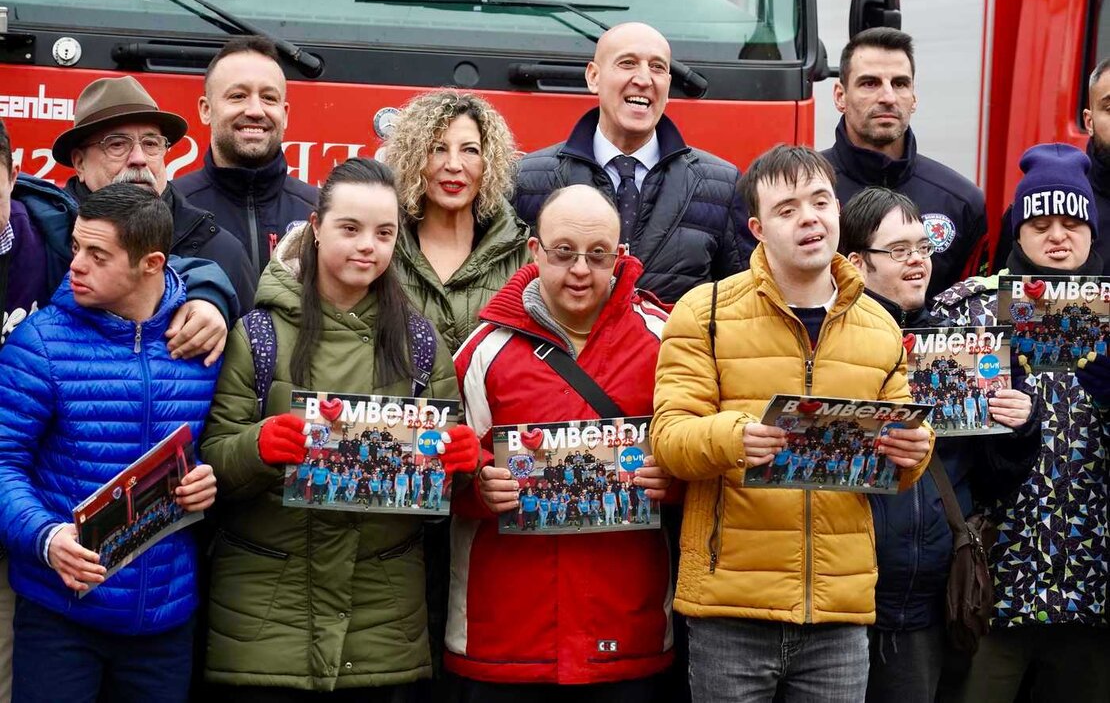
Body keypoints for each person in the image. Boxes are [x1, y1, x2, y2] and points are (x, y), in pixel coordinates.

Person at [651, 145, 934, 702]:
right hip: (730, 608)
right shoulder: (703, 312)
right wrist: (734, 437)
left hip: (839, 611)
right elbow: (669, 440)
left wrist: (913, 451)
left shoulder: (879, 322)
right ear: (757, 228)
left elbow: (899, 468)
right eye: (787, 209)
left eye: (820, 201)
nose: (809, 217)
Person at [200, 158, 475, 700]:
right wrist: (258, 446)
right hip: (262, 624)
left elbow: (442, 497)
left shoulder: (420, 344)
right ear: (317, 227)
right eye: (350, 228)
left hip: (382, 629)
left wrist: (461, 467)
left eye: (384, 232)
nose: (366, 246)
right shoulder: (257, 334)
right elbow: (212, 464)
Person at [449, 184, 675, 702]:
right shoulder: (484, 350)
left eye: (598, 256)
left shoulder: (664, 339)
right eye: (564, 253)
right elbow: (439, 463)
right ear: (534, 252)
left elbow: (699, 450)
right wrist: (479, 485)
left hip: (626, 634)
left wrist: (674, 478)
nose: (580, 270)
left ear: (620, 258)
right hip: (505, 638)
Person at [0, 183, 219, 702]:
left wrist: (210, 481)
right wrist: (46, 537)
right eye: (76, 247)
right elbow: (3, 462)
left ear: (152, 263)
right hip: (62, 616)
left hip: (166, 620)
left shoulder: (201, 339)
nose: (76, 264)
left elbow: (222, 443)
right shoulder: (41, 343)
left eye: (98, 255)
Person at [838, 186, 1038, 703]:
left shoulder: (958, 349)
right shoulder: (827, 346)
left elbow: (992, 481)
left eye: (924, 248)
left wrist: (1018, 430)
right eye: (899, 250)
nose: (918, 262)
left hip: (927, 604)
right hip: (843, 601)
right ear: (857, 263)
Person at [935, 144, 1109, 703]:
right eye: (1040, 223)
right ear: (1016, 230)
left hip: (1096, 588)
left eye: (1072, 221)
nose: (1058, 236)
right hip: (993, 583)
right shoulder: (968, 310)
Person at [512, 22, 747, 304]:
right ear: (593, 77)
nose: (644, 79)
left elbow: (741, 306)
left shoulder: (721, 185)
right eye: (628, 63)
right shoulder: (528, 180)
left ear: (668, 86)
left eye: (658, 67)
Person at [56, 75, 256, 312]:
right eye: (117, 145)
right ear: (80, 163)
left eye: (151, 144)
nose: (139, 159)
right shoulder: (47, 241)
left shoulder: (219, 249)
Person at [822, 27, 985, 301]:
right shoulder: (808, 195)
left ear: (914, 97)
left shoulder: (961, 203)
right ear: (840, 96)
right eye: (869, 83)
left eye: (899, 83)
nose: (887, 97)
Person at [384, 89, 530, 353]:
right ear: (413, 158)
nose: (453, 164)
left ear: (489, 163)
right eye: (438, 149)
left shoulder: (522, 254)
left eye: (470, 150)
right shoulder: (383, 245)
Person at [175, 35, 318, 278]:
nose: (255, 110)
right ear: (206, 110)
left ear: (284, 114)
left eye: (269, 98)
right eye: (238, 96)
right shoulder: (170, 210)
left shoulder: (321, 212)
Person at [994, 56, 1110, 270]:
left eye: (1070, 225)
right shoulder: (1032, 207)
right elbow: (1004, 296)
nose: (1057, 235)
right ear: (1089, 121)